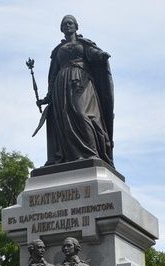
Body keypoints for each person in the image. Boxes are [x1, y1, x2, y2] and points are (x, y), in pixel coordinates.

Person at [36, 14, 114, 167]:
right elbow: (52, 74)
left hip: (81, 82)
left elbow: (92, 54)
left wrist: (101, 56)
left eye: (70, 23)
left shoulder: (84, 44)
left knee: (81, 114)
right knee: (64, 119)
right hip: (61, 84)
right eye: (64, 24)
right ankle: (69, 155)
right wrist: (47, 97)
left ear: (76, 26)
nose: (67, 26)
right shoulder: (58, 50)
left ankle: (90, 153)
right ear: (61, 28)